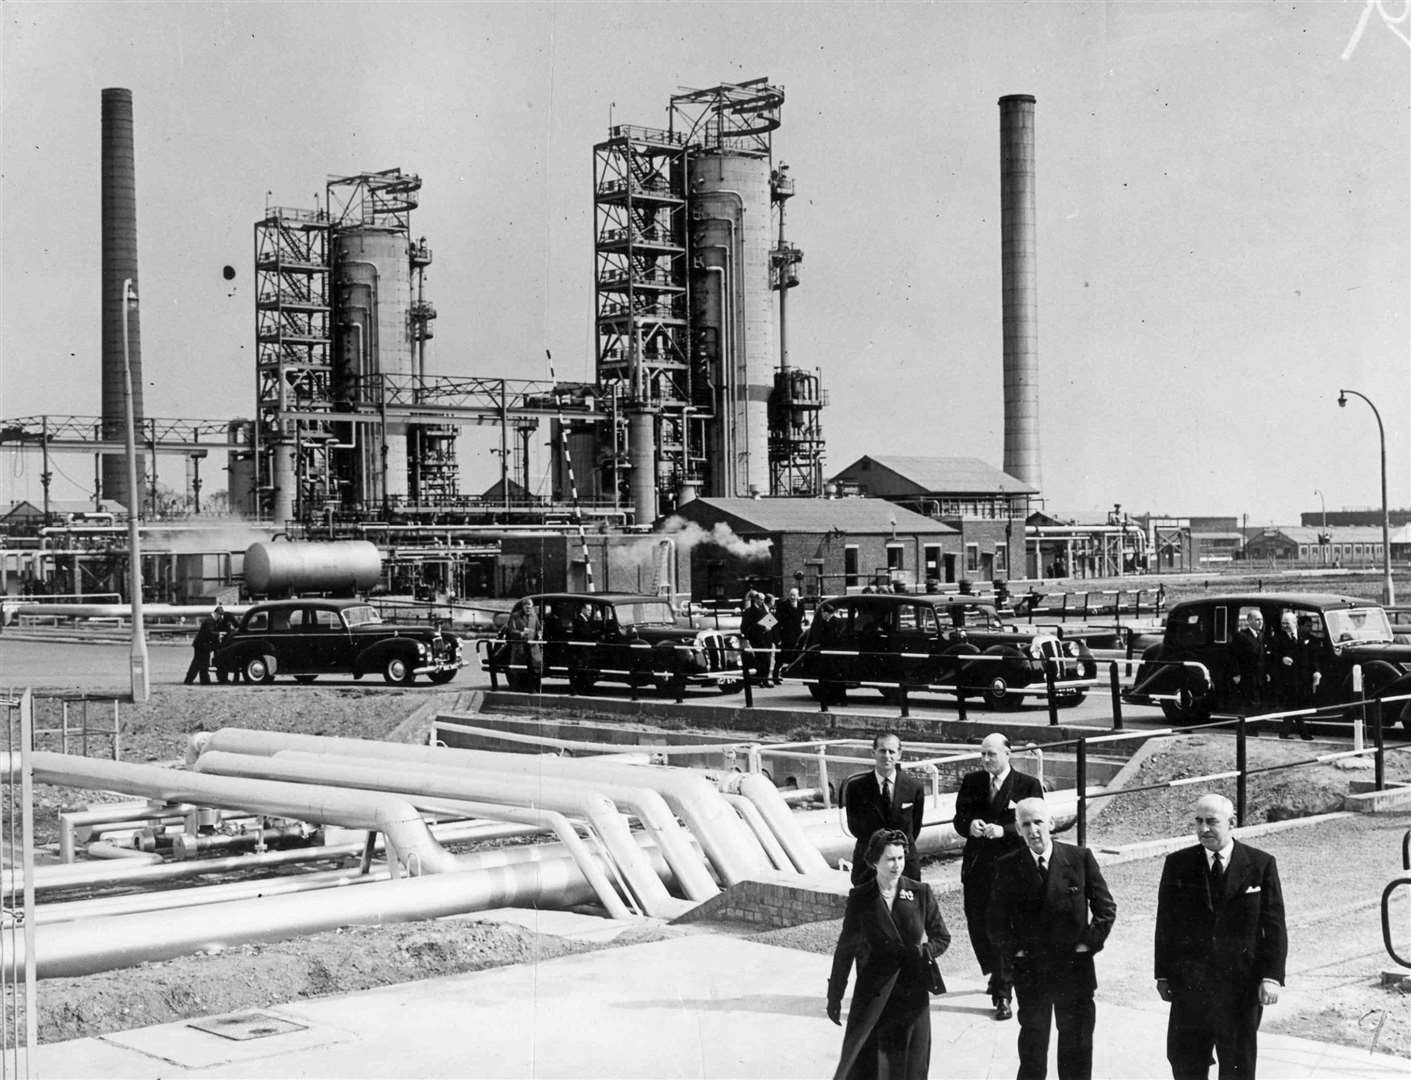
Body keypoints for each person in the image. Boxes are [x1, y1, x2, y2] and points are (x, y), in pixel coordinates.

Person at [1155, 793, 1287, 1080]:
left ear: (1232, 823)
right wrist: (1163, 975)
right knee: (1185, 1060)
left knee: (1238, 1064)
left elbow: (1274, 925)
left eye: (1212, 822)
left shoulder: (1260, 864)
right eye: (1198, 821)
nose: (1203, 829)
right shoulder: (1178, 864)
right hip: (1191, 986)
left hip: (1241, 986)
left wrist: (1272, 976)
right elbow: (1166, 924)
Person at [988, 798, 1116, 1080]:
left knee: (1076, 1045)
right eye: (1025, 825)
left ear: (1052, 824)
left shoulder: (1079, 858)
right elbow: (996, 922)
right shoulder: (1008, 866)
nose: (1033, 830)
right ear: (1018, 830)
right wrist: (1015, 953)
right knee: (1033, 1047)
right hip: (1032, 972)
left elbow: (1105, 909)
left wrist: (1088, 944)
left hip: (1074, 969)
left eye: (1038, 822)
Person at [827, 828, 951, 1080]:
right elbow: (845, 950)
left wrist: (923, 951)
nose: (897, 865)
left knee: (909, 1066)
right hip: (873, 992)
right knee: (869, 1064)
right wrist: (835, 996)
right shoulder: (861, 898)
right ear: (875, 862)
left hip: (912, 992)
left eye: (901, 858)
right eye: (890, 859)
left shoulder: (920, 892)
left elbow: (942, 937)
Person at [952, 732, 1045, 1020]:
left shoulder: (1027, 785)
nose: (986, 759)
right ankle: (995, 971)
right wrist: (971, 826)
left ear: (1008, 754)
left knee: (1004, 930)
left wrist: (1004, 830)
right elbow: (959, 819)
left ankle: (1003, 994)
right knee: (978, 924)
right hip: (978, 867)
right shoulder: (972, 782)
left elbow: (1035, 824)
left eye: (991, 754)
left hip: (1010, 868)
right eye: (982, 754)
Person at [843, 732, 926, 885]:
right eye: (882, 750)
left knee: (905, 907)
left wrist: (896, 848)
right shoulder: (856, 787)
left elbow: (915, 828)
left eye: (891, 751)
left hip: (904, 864)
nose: (886, 756)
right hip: (869, 863)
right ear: (873, 752)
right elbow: (855, 827)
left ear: (899, 754)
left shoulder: (914, 787)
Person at [1266, 612, 1319, 738]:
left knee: (1296, 705)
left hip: (1303, 678)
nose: (1284, 626)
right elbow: (1271, 657)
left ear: (1295, 623)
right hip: (1287, 679)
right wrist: (1281, 659)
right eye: (1283, 623)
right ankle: (1299, 733)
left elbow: (1313, 657)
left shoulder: (1305, 637)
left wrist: (1317, 672)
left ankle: (1287, 733)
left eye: (1287, 623)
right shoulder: (1277, 639)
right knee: (1293, 705)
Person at [503, 597, 543, 692]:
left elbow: (538, 628)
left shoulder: (534, 616)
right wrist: (521, 633)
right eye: (526, 607)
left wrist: (539, 634)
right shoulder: (515, 616)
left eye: (530, 607)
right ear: (523, 607)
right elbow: (511, 630)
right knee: (518, 670)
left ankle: (533, 689)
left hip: (532, 646)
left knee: (534, 668)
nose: (528, 609)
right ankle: (517, 689)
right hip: (520, 646)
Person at [1229, 609, 1266, 707]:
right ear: (1249, 621)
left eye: (1261, 619)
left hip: (1260, 676)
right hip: (1247, 676)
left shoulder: (1261, 636)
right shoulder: (1241, 636)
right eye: (1257, 620)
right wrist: (1236, 674)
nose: (1260, 622)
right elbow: (1234, 656)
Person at [739, 590, 776, 685]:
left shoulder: (763, 609)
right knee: (763, 660)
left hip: (766, 638)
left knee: (765, 660)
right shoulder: (750, 611)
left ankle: (763, 679)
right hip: (757, 639)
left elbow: (770, 621)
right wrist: (763, 626)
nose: (763, 601)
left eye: (763, 599)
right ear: (756, 599)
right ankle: (762, 680)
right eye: (761, 599)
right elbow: (746, 627)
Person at [183, 608, 220, 685]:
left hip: (200, 645)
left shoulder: (209, 620)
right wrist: (219, 634)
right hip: (202, 645)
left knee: (201, 663)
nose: (220, 617)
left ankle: (199, 680)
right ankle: (198, 680)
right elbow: (210, 633)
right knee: (199, 663)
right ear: (217, 614)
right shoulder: (210, 621)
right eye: (220, 615)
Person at [776, 587, 806, 673]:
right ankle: (777, 673)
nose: (792, 597)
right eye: (791, 595)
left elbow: (801, 617)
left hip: (797, 634)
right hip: (787, 634)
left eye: (794, 595)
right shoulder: (783, 605)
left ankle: (794, 670)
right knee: (783, 655)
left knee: (797, 653)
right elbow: (778, 618)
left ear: (798, 596)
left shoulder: (801, 605)